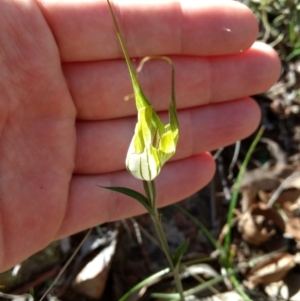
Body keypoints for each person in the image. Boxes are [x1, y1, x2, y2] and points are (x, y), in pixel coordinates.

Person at [0, 0, 280, 272]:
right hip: (145, 163)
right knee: (146, 106)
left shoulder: (152, 155)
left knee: (153, 108)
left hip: (148, 163)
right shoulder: (144, 157)